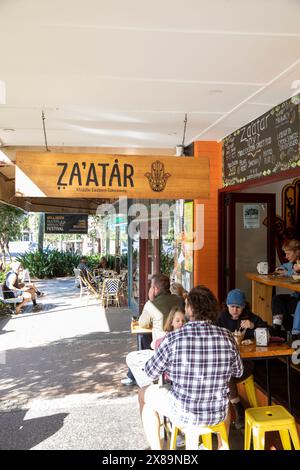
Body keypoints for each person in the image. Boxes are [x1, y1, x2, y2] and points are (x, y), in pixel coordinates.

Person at [138, 285, 243, 450]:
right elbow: (238, 371)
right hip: (217, 413)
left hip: (183, 414)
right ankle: (223, 446)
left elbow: (151, 371)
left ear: (189, 309)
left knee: (143, 394)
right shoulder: (227, 336)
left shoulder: (174, 338)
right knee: (225, 400)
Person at [217, 288, 268, 429]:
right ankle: (238, 407)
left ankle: (238, 409)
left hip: (246, 362)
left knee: (226, 375)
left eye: (238, 307)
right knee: (226, 373)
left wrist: (253, 326)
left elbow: (268, 330)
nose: (234, 310)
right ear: (226, 306)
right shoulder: (221, 318)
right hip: (226, 361)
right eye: (231, 307)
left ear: (244, 306)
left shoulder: (250, 317)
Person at [121, 274, 184, 386]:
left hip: (162, 349)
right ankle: (132, 376)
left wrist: (150, 301)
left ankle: (143, 381)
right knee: (146, 337)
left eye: (151, 286)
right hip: (182, 345)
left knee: (143, 337)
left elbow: (142, 323)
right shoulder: (180, 300)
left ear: (155, 289)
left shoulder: (151, 305)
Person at [126, 307, 186, 388]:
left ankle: (146, 387)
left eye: (183, 321)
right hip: (163, 364)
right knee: (133, 357)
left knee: (134, 358)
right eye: (178, 321)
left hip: (167, 373)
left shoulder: (170, 337)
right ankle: (146, 386)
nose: (181, 323)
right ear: (171, 322)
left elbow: (154, 344)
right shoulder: (168, 335)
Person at [271, 238, 300, 335]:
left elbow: (294, 273)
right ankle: (277, 328)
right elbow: (285, 266)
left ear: (297, 252)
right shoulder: (293, 263)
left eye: (288, 253)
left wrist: (288, 273)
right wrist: (281, 269)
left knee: (287, 307)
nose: (286, 256)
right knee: (277, 300)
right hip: (296, 297)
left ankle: (294, 333)